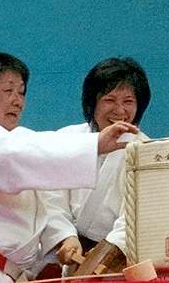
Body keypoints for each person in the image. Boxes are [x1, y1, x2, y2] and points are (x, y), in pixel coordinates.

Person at [0, 51, 138, 283]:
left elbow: (40, 204)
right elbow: (16, 153)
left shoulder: (11, 144)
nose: (18, 100)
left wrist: (64, 238)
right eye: (8, 91)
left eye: (21, 92)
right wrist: (95, 145)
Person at [39, 57, 151, 276]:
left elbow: (136, 217)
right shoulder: (67, 139)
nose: (120, 110)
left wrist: (106, 251)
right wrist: (65, 236)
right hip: (71, 255)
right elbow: (49, 200)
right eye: (110, 100)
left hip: (115, 262)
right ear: (93, 102)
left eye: (128, 101)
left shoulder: (145, 151)